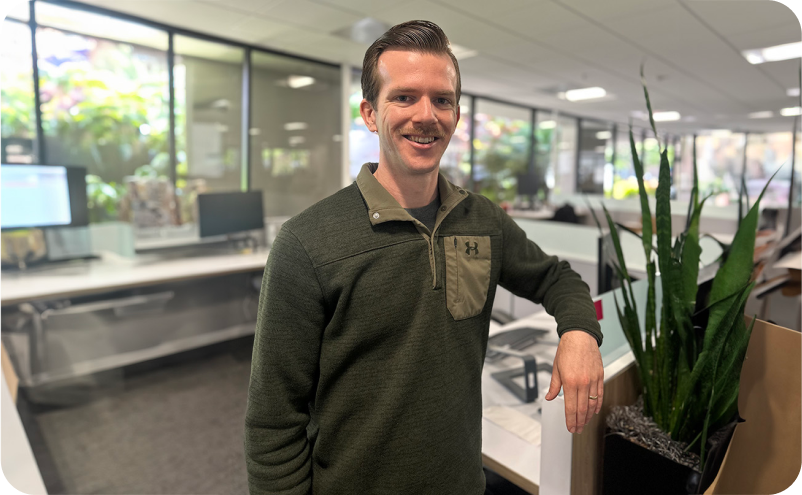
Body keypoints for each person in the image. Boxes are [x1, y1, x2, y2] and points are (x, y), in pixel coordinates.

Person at [245, 20, 604, 495]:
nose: (426, 115)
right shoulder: (307, 243)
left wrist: (579, 332)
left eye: (442, 100)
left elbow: (556, 278)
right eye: (404, 97)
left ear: (456, 114)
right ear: (370, 114)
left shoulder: (481, 220)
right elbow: (274, 421)